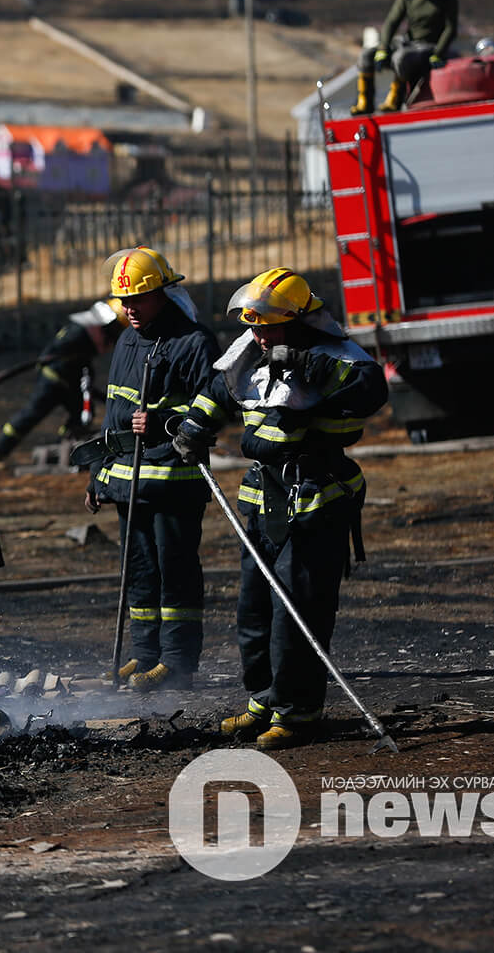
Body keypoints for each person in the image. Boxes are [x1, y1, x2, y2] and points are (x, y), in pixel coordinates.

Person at [172, 269, 387, 749]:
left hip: (315, 499)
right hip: (263, 498)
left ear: (298, 321)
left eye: (268, 325)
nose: (259, 334)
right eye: (255, 325)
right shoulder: (253, 350)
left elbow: (371, 389)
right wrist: (192, 428)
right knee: (254, 610)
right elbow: (219, 393)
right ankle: (264, 699)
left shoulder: (336, 357)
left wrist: (311, 366)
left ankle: (299, 711)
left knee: (299, 611)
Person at [80, 247, 218, 693]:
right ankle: (147, 653)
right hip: (128, 482)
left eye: (137, 299)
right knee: (139, 570)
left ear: (163, 292)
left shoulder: (194, 342)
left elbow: (214, 409)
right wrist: (98, 471)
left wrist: (164, 422)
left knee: (174, 570)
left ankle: (178, 663)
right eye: (123, 300)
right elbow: (114, 413)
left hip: (175, 481)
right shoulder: (127, 340)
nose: (128, 309)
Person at [0, 298, 127, 464]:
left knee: (81, 414)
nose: (112, 340)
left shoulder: (83, 338)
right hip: (53, 381)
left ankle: (65, 446)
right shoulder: (77, 335)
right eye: (113, 332)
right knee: (31, 414)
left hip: (68, 381)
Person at [352, 0, 458, 115]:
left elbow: (451, 28)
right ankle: (364, 103)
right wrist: (383, 48)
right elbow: (391, 22)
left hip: (430, 46)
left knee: (400, 58)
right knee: (367, 55)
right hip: (408, 42)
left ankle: (394, 100)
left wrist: (438, 53)